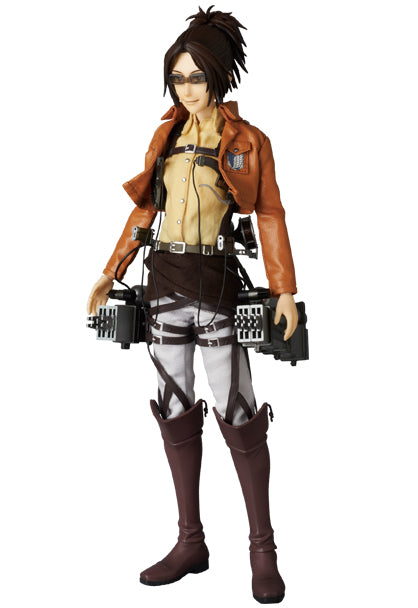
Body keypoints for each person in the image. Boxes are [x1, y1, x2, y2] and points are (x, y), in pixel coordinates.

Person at [87, 6, 298, 604]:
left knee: (238, 411)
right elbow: (144, 208)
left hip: (217, 284)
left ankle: (263, 550)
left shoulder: (248, 141)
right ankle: (190, 543)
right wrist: (110, 270)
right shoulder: (167, 137)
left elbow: (270, 213)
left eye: (196, 77)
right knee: (174, 409)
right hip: (163, 284)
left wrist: (284, 289)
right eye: (177, 78)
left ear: (219, 76)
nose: (186, 89)